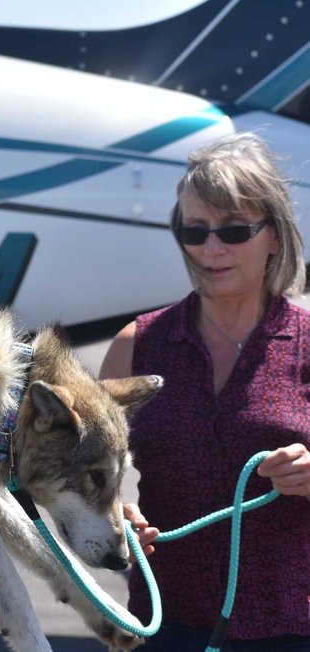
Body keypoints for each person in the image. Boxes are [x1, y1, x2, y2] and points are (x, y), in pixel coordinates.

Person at [99, 132, 310, 651]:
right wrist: (113, 521)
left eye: (234, 231)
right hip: (165, 623)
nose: (212, 249)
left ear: (275, 237)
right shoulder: (137, 346)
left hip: (291, 628)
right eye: (195, 232)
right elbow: (74, 473)